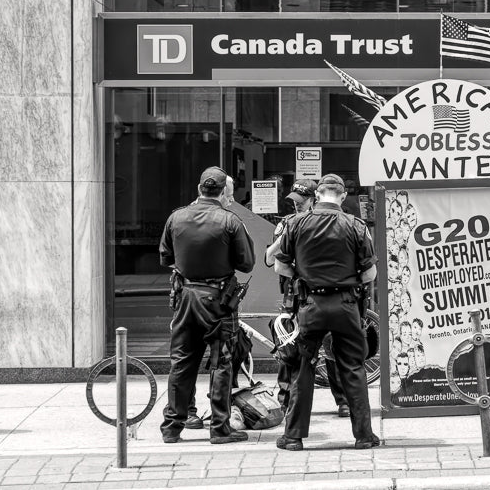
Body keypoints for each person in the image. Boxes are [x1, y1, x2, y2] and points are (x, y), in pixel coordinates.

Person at [273, 173, 379, 451]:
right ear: (343, 197)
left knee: (302, 367)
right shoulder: (355, 225)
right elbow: (370, 273)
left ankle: (293, 437)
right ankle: (364, 436)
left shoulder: (295, 224)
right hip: (346, 306)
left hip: (311, 305)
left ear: (318, 195)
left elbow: (279, 266)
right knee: (353, 368)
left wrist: (303, 276)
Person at [159, 166, 255, 444]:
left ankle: (172, 427)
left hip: (185, 298)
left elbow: (166, 258)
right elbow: (246, 263)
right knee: (221, 362)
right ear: (223, 191)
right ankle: (220, 427)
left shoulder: (176, 217)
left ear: (200, 188)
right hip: (218, 302)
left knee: (181, 362)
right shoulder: (230, 221)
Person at [265, 178, 351, 418]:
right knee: (290, 348)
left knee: (332, 346)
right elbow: (270, 260)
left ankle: (342, 401)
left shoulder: (327, 223)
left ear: (315, 199)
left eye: (301, 202)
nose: (296, 206)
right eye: (293, 202)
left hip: (320, 293)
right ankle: (287, 401)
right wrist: (287, 237)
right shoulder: (287, 224)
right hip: (294, 295)